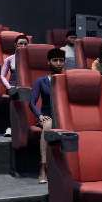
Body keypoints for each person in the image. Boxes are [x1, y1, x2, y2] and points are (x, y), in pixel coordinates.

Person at [29, 48, 66, 184]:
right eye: (55, 60)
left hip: (64, 116)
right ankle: (43, 166)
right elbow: (32, 103)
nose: (58, 63)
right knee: (48, 124)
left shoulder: (67, 80)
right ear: (48, 62)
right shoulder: (41, 81)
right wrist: (39, 116)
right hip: (47, 116)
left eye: (61, 60)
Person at [1, 34, 29, 136]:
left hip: (27, 86)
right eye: (20, 44)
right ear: (15, 45)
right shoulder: (9, 59)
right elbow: (2, 76)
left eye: (25, 44)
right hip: (13, 86)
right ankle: (10, 127)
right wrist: (9, 87)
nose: (23, 46)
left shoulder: (31, 58)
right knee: (13, 102)